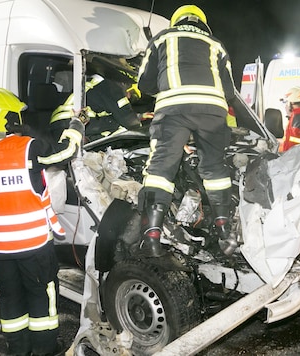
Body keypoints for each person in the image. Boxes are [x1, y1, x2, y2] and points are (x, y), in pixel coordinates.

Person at [0, 87, 83, 355]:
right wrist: (76, 124)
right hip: (34, 246)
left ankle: (18, 349)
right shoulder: (26, 148)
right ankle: (46, 349)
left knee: (10, 301)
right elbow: (66, 152)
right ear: (3, 118)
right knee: (41, 300)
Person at [136, 5, 237, 257]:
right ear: (202, 23)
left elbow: (144, 83)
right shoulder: (216, 45)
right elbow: (228, 91)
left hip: (174, 109)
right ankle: (225, 231)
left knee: (161, 168)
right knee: (215, 170)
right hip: (213, 112)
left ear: (176, 21)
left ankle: (151, 235)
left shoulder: (162, 38)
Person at [50, 74, 150, 143]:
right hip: (72, 122)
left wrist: (139, 116)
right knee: (122, 128)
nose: (129, 97)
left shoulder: (97, 82)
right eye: (132, 94)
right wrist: (145, 129)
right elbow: (129, 120)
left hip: (62, 124)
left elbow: (109, 114)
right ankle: (90, 141)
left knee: (115, 124)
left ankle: (89, 141)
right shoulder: (114, 87)